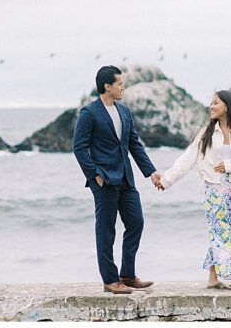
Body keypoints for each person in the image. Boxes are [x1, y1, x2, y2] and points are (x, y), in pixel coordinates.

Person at [72, 65, 164, 294]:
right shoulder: (89, 112)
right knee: (106, 231)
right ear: (107, 86)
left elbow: (134, 143)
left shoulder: (124, 111)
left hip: (126, 178)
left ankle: (128, 275)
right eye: (120, 83)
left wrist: (150, 171)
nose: (123, 87)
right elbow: (79, 147)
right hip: (104, 180)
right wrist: (94, 176)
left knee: (136, 222)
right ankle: (110, 280)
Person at [159, 90, 231, 291]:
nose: (211, 106)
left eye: (215, 103)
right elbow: (187, 159)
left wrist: (229, 165)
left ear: (227, 107)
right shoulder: (206, 133)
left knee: (223, 233)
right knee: (223, 234)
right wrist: (166, 180)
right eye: (211, 103)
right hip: (213, 189)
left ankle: (213, 278)